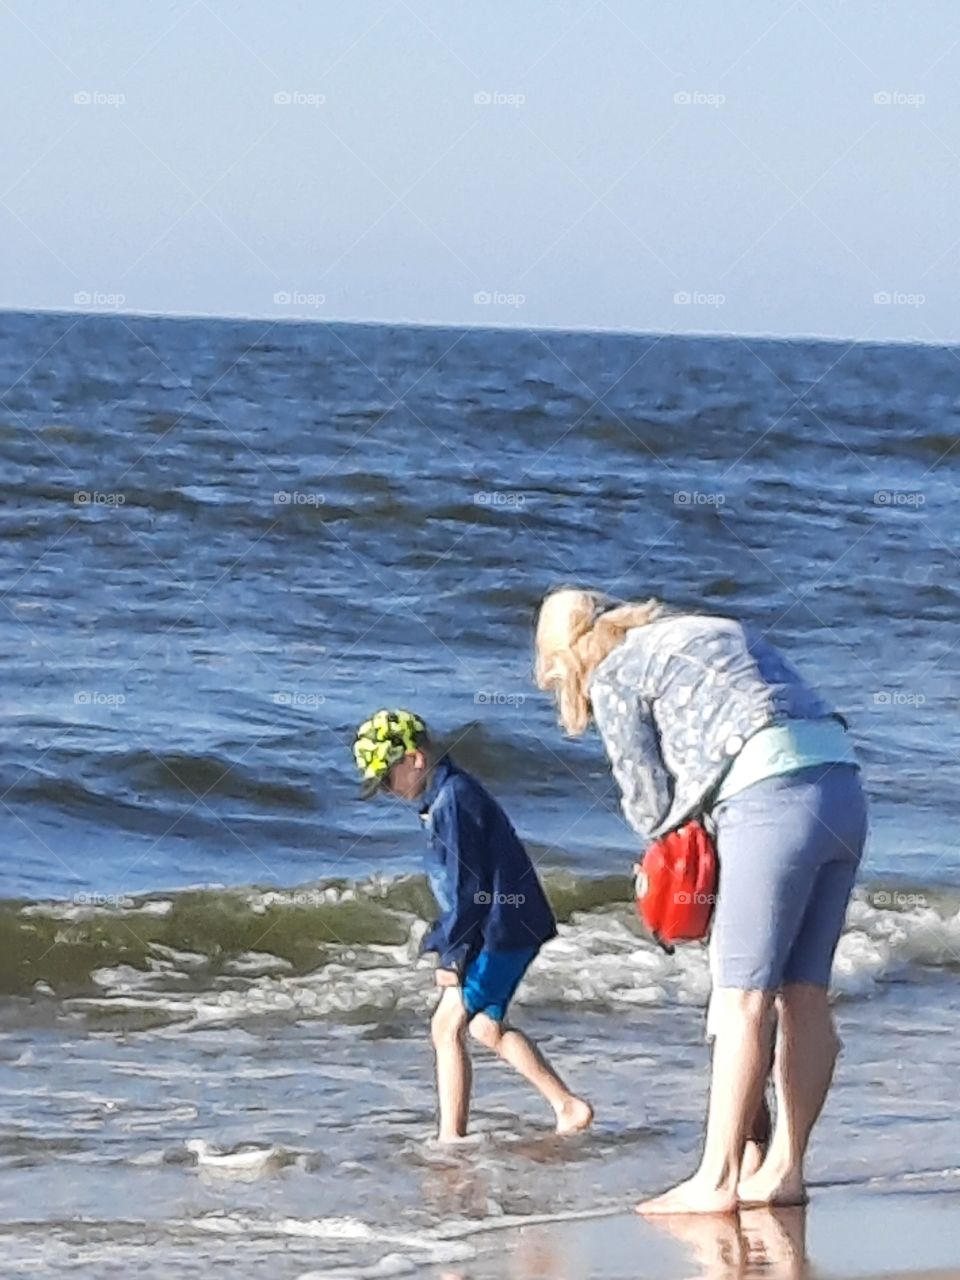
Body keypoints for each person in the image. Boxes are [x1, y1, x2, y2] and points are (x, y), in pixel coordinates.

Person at [534, 589, 868, 1213]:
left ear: (565, 660)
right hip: (842, 784)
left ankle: (715, 1180)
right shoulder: (708, 625)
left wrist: (669, 880)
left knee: (741, 995)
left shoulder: (613, 675)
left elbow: (649, 806)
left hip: (767, 798)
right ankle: (784, 1171)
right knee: (803, 994)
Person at [352, 707, 593, 1142]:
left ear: (415, 759)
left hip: (501, 929)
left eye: (389, 777)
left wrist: (454, 953)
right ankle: (567, 1107)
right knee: (484, 1027)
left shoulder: (453, 801)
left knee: (445, 1026)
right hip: (506, 924)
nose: (388, 790)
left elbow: (469, 888)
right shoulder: (443, 798)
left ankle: (451, 1139)